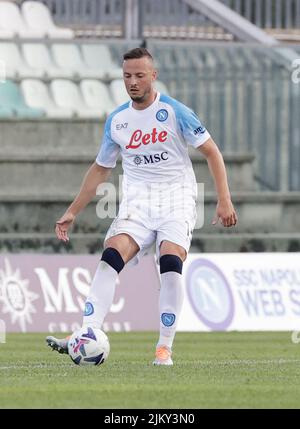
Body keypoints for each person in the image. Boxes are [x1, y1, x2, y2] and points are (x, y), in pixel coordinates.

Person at [46, 47, 237, 366]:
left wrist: (224, 199)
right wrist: (73, 210)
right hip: (137, 203)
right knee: (110, 257)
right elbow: (100, 168)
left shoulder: (177, 112)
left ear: (153, 76)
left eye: (138, 75)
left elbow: (212, 153)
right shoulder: (118, 121)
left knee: (170, 262)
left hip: (177, 200)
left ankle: (164, 347)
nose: (132, 82)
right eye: (126, 76)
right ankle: (88, 332)